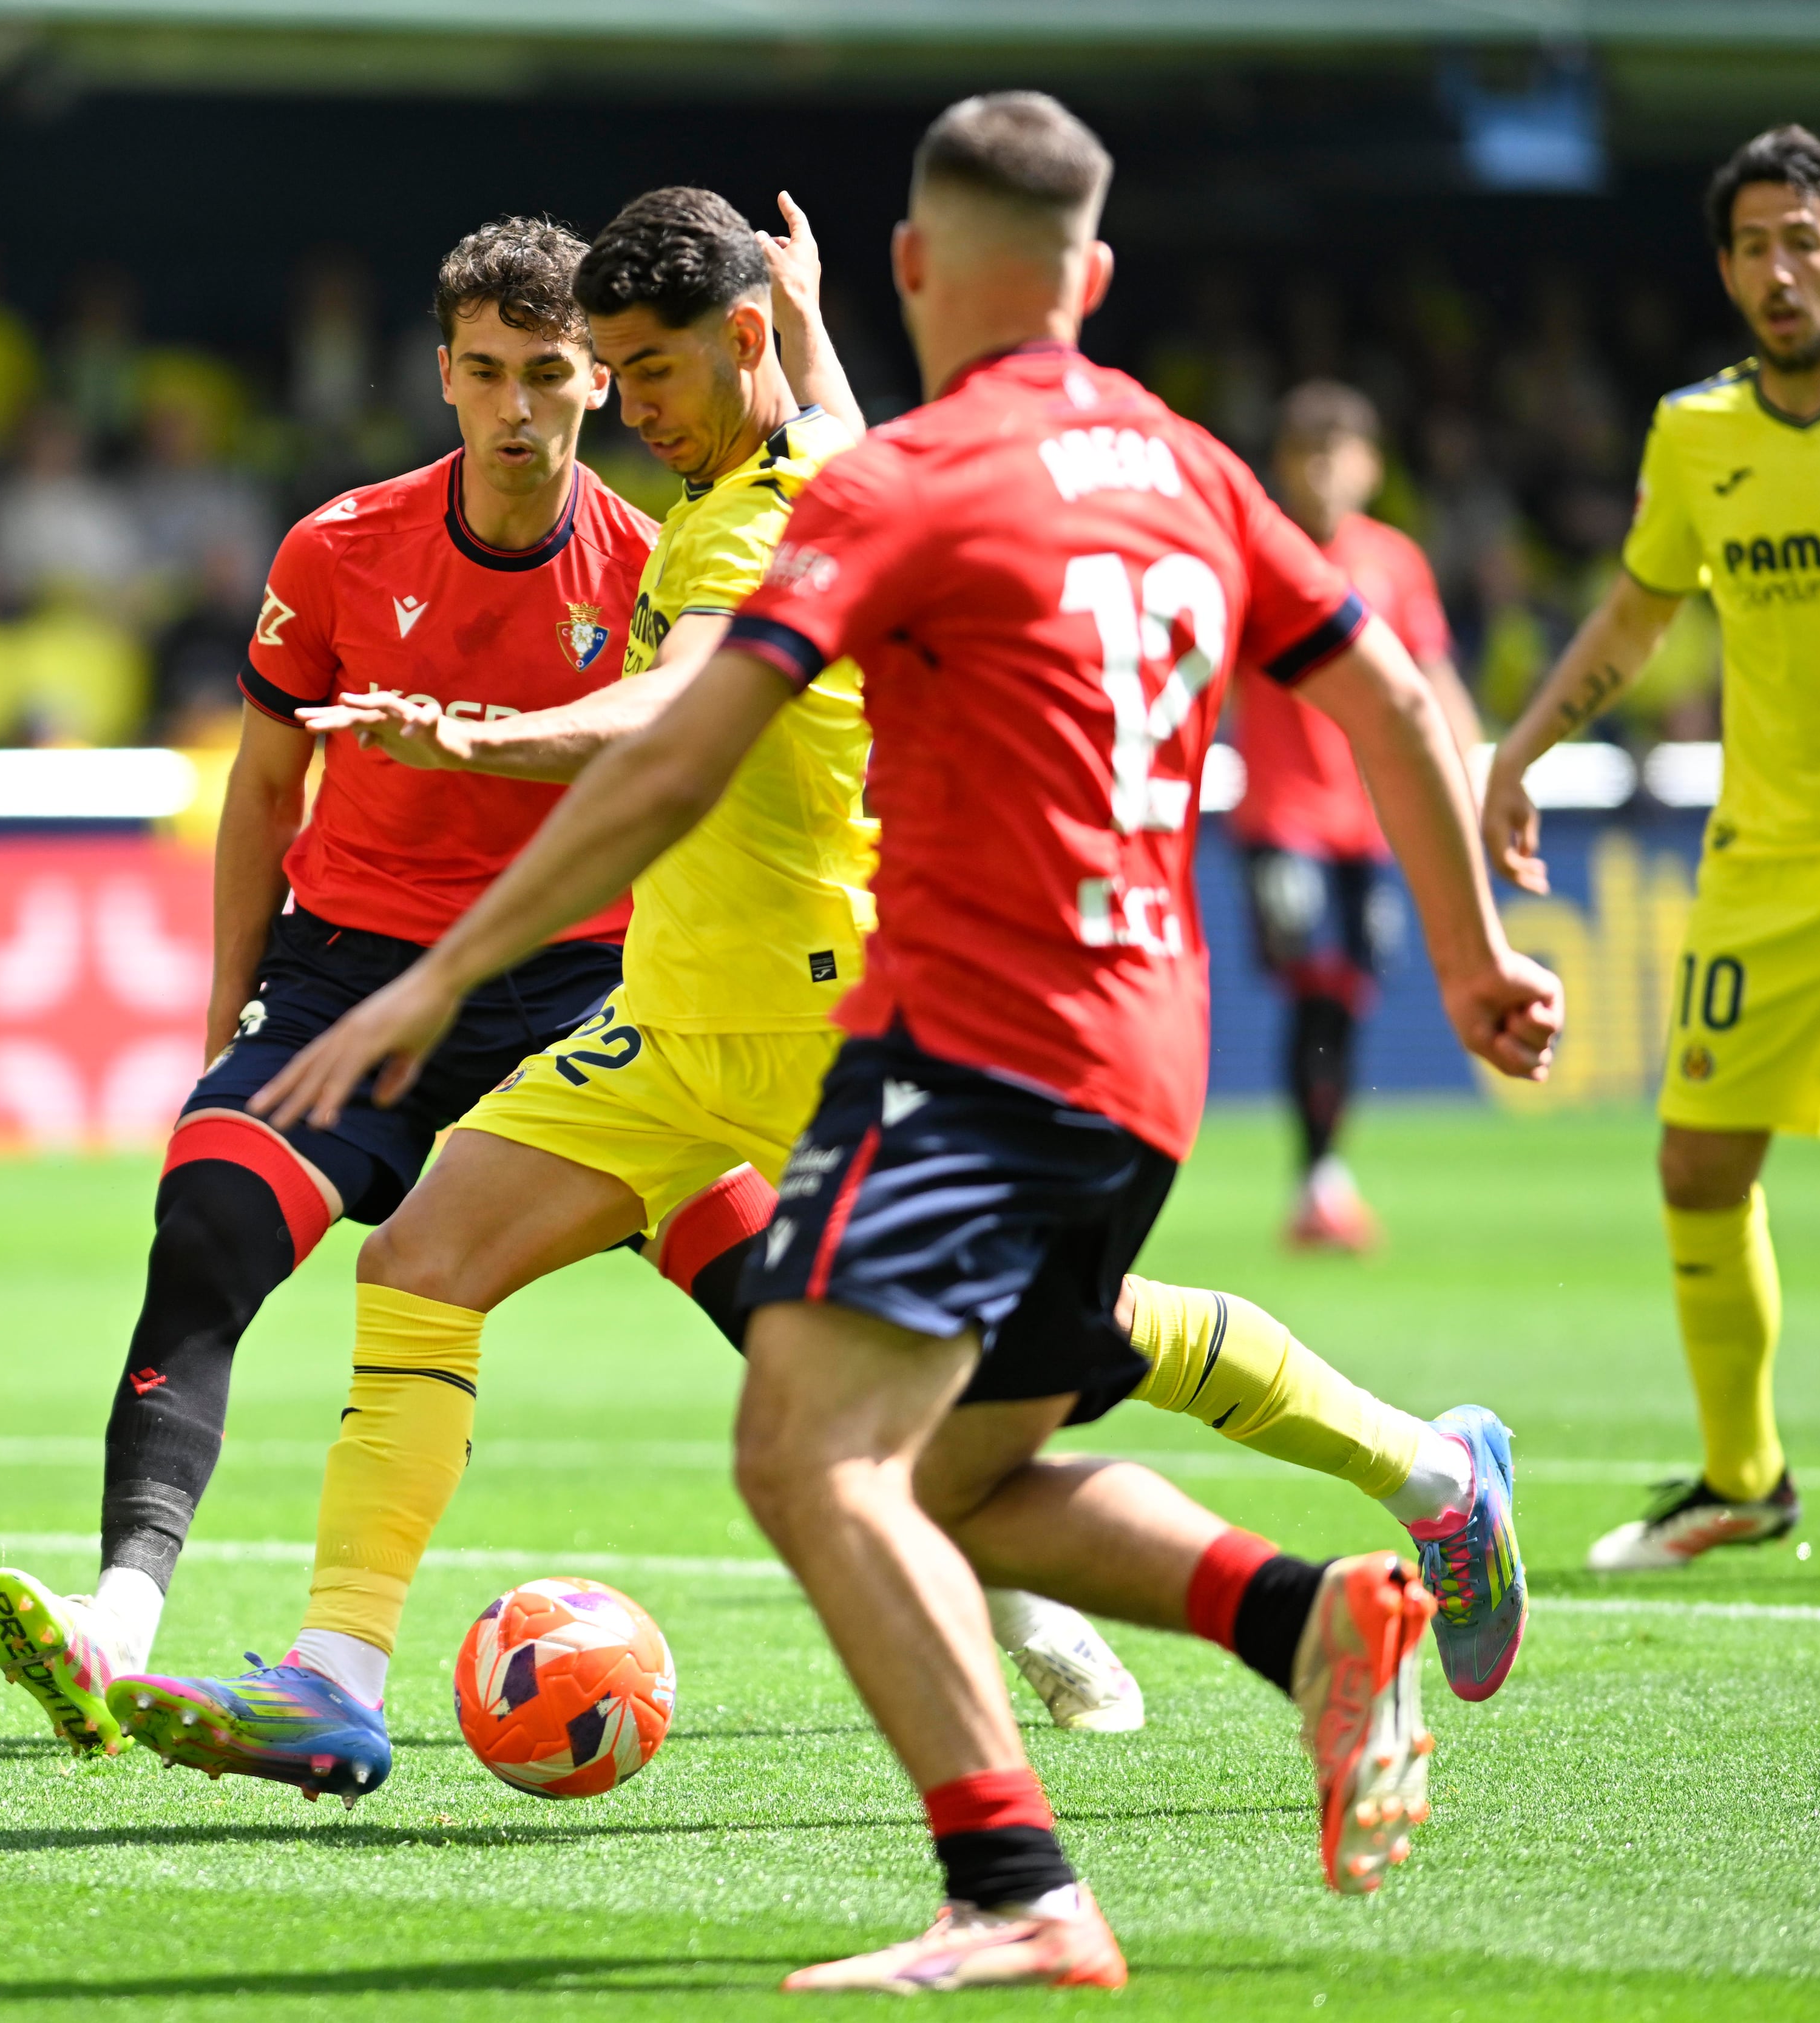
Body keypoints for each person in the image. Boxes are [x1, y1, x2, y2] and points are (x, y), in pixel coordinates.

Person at [227, 94, 1561, 1987]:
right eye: (606, 372)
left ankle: (1277, 1623)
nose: (627, 405)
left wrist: (465, 780)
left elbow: (669, 728)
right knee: (438, 1262)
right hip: (719, 1026)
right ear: (1083, 280)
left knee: (902, 1445)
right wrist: (1470, 950)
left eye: (647, 369)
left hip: (852, 1021)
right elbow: (1387, 687)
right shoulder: (1111, 462)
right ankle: (338, 1672)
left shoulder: (835, 505)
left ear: (831, 305)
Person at [0, 220, 657, 1757]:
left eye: (547, 375)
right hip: (346, 980)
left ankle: (1007, 1588)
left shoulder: (657, 574)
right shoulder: (337, 547)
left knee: (776, 1270)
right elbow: (264, 783)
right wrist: (228, 1010)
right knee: (209, 1222)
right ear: (442, 376)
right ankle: (117, 1621)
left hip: (565, 992)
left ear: (595, 383)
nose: (514, 409)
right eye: (484, 373)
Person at [1484, 126, 1820, 1579]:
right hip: (1762, 869)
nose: (1777, 271)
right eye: (1749, 247)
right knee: (1696, 1169)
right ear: (1724, 271)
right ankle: (1744, 1481)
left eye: (1802, 241)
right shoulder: (1694, 435)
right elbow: (1639, 613)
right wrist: (1519, 749)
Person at [1234, 380, 1485, 1250]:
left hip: (1369, 822)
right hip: (1280, 815)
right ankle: (1318, 1183)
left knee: (1351, 992)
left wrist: (1477, 777)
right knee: (1312, 982)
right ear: (1282, 465)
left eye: (1338, 451)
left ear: (1371, 468)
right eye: (1307, 451)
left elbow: (1432, 679)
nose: (1322, 469)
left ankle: (1322, 1179)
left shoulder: (1396, 562)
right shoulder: (1255, 554)